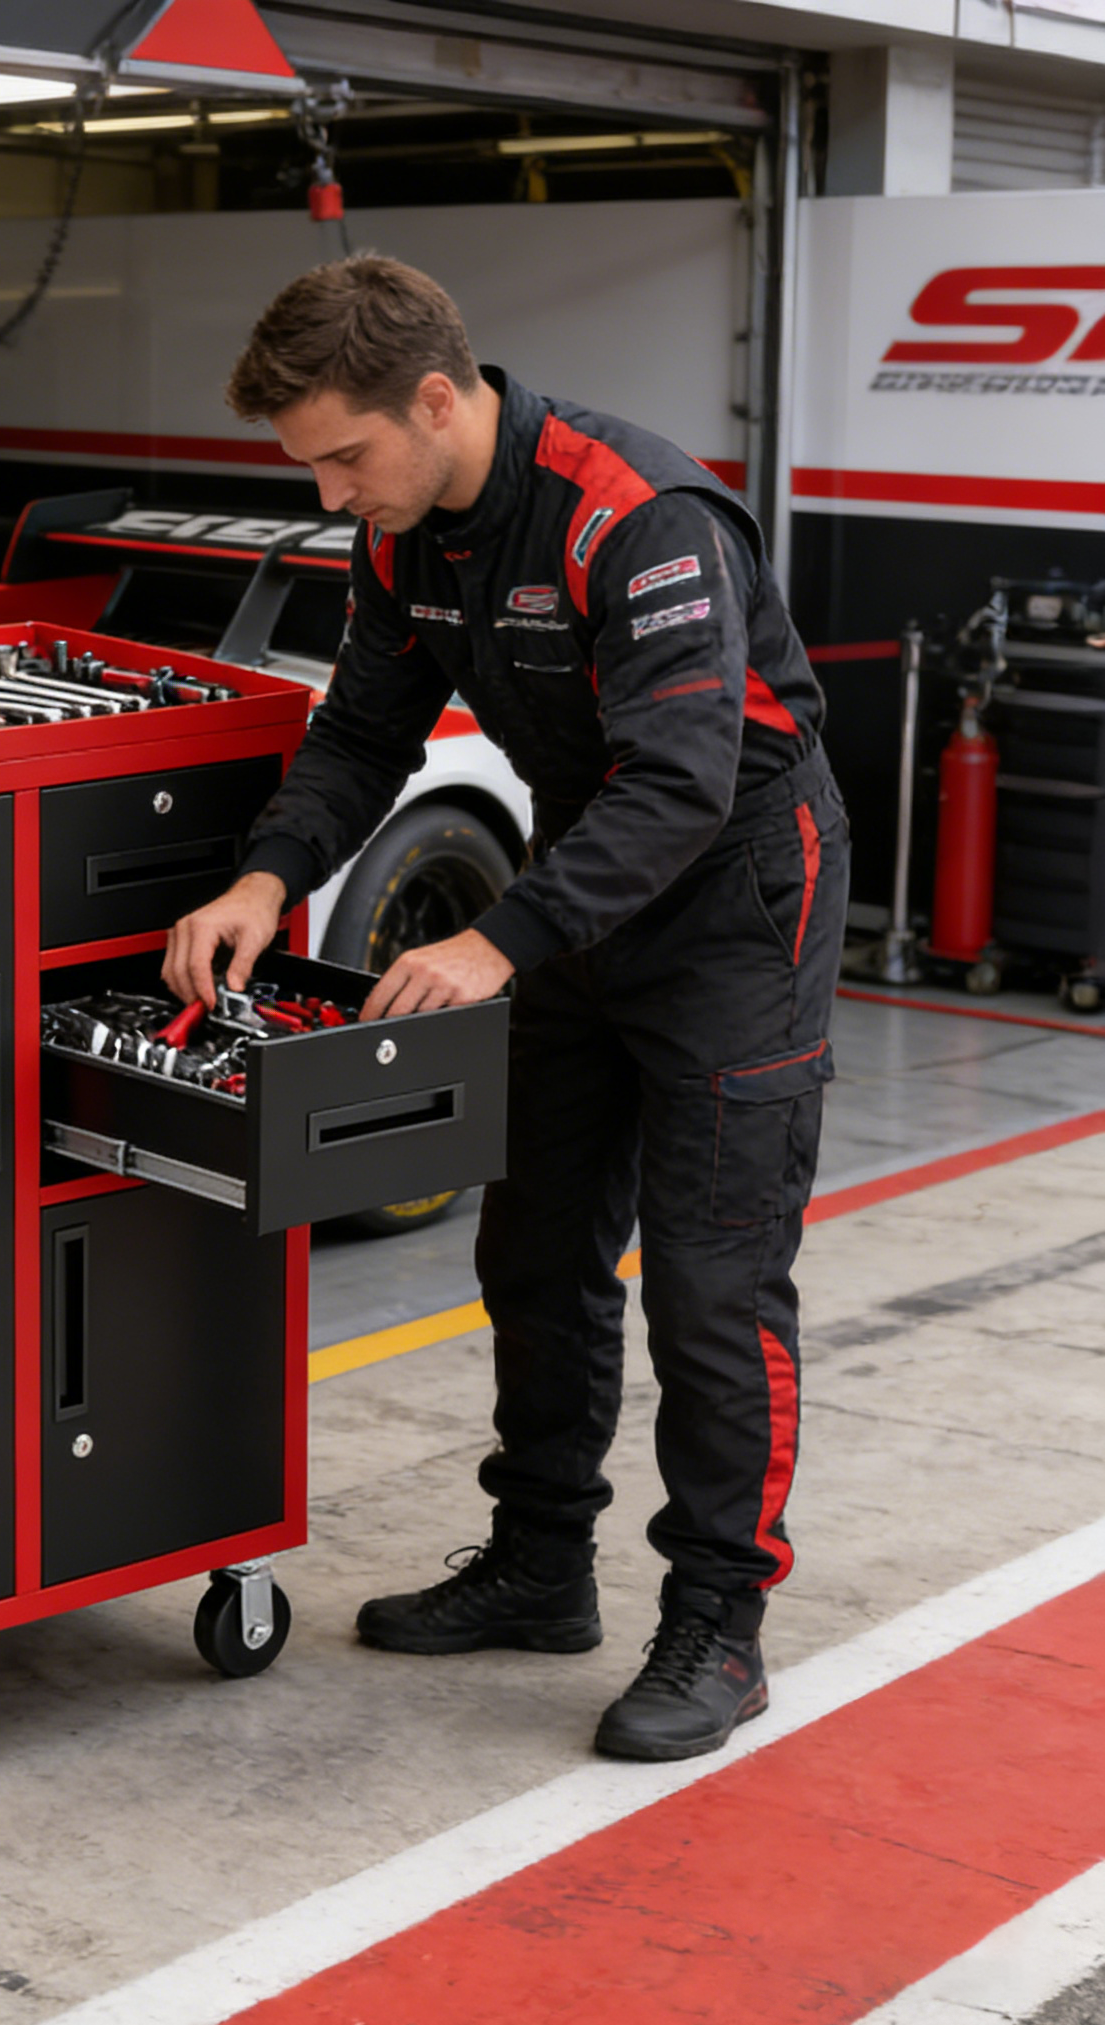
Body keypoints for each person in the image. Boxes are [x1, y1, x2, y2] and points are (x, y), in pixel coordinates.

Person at [164, 254, 849, 1763]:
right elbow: (362, 731)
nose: (333, 495)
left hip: (737, 895)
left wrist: (495, 940)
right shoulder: (402, 532)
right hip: (578, 886)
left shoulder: (637, 516)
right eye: (310, 468)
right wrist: (267, 883)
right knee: (532, 1244)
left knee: (715, 1284)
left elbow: (681, 784)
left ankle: (719, 1624)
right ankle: (542, 1565)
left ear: (434, 399)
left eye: (345, 457)